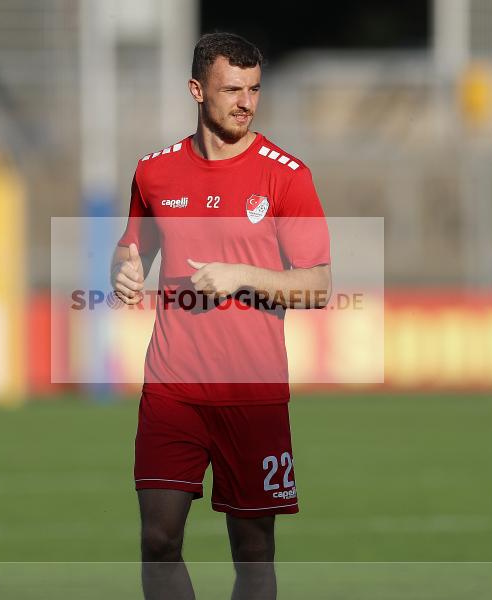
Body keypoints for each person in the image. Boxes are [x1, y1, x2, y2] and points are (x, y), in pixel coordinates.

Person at [111, 32, 331, 600]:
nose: (246, 102)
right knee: (158, 540)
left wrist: (243, 274)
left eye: (254, 89)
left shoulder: (287, 175)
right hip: (172, 387)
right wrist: (125, 270)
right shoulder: (154, 173)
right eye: (232, 89)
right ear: (196, 90)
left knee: (253, 554)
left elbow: (319, 286)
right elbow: (132, 248)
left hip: (251, 393)